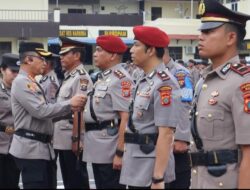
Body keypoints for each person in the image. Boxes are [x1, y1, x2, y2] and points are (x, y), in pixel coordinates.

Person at [9, 41, 86, 189]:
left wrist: (70, 110)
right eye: (41, 59)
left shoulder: (31, 81)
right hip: (31, 149)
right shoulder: (22, 82)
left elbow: (46, 113)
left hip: (40, 148)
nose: (45, 63)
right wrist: (70, 103)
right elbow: (41, 111)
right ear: (28, 60)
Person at [190, 0, 250, 188]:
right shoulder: (204, 80)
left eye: (208, 32)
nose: (201, 37)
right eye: (201, 32)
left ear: (231, 38)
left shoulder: (242, 82)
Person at [120, 26, 181, 189]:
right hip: (137, 165)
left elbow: (166, 133)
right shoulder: (143, 79)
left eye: (136, 45)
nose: (131, 50)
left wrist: (158, 177)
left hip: (150, 169)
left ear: (151, 50)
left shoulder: (164, 83)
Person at [82, 35, 133, 189]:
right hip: (98, 146)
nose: (94, 54)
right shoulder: (104, 77)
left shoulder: (121, 79)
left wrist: (119, 152)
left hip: (109, 148)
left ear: (112, 55)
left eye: (99, 50)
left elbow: (125, 117)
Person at [53, 37, 92, 189]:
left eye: (65, 54)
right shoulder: (69, 76)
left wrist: (76, 139)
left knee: (77, 181)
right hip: (63, 137)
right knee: (69, 180)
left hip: (71, 138)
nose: (61, 57)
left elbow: (80, 110)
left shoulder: (81, 77)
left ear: (76, 56)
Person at [163, 48, 192, 189]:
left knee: (178, 179)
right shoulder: (147, 73)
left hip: (175, 138)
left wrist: (181, 137)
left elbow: (185, 104)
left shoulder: (180, 73)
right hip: (160, 136)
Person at [0, 53, 20, 189]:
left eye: (18, 72)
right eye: (13, 71)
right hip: (1, 145)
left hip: (16, 147)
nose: (16, 75)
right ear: (2, 69)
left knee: (12, 183)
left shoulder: (21, 90)